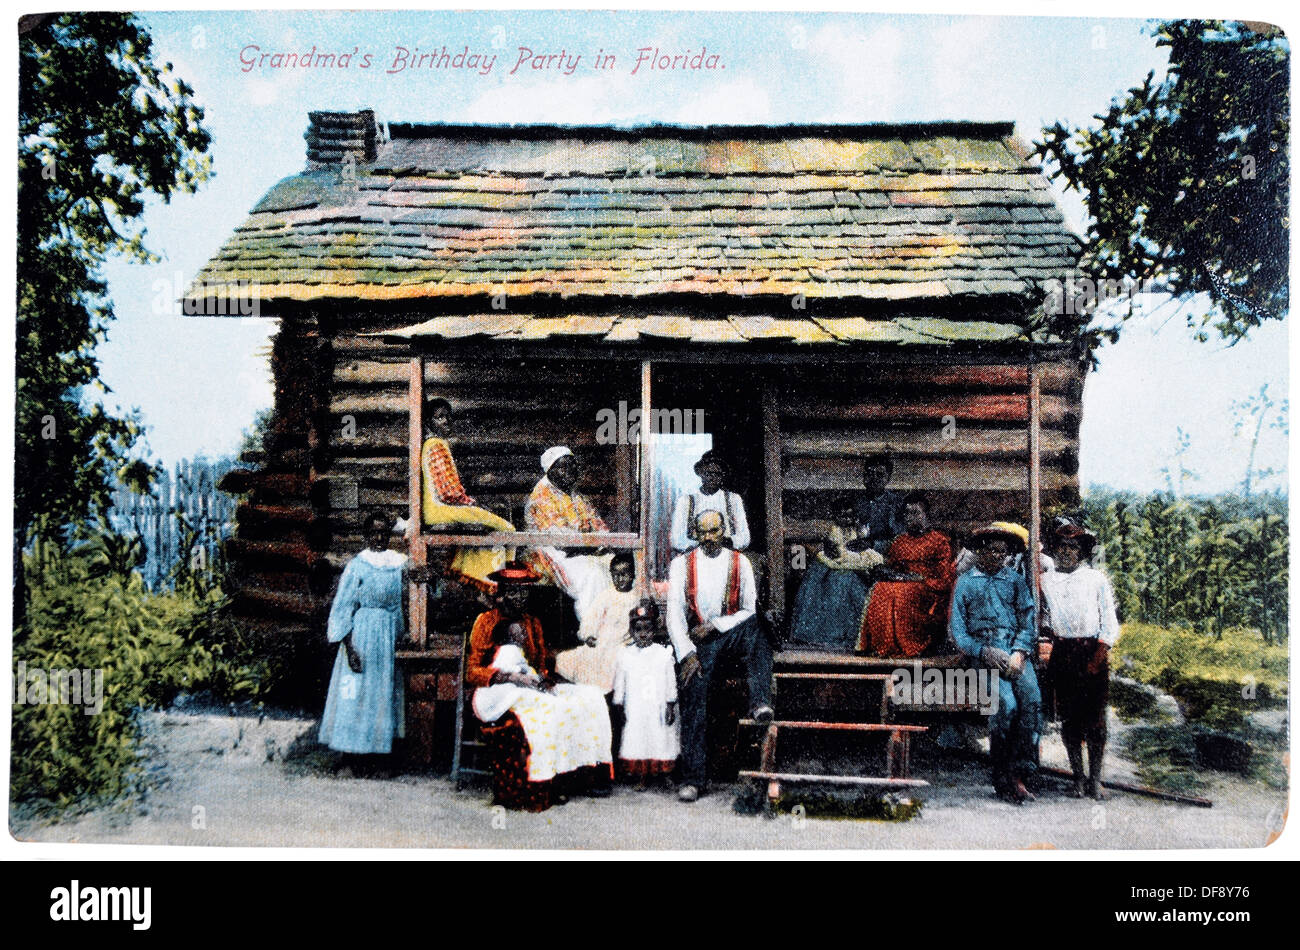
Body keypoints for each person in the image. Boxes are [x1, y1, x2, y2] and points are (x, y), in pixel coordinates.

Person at [466, 562, 613, 810]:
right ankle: (549, 782)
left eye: (523, 591)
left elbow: (539, 664)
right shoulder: (487, 622)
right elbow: (472, 672)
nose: (519, 597)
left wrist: (543, 679)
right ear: (501, 593)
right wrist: (510, 677)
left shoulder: (532, 623)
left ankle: (584, 775)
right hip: (496, 691)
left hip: (526, 684)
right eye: (513, 591)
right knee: (552, 710)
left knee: (590, 697)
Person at [667, 509, 774, 802]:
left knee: (759, 627)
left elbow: (749, 610)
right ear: (695, 533)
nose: (708, 538)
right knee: (693, 690)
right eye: (702, 532)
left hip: (730, 636)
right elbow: (674, 615)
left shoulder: (741, 563)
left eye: (714, 531)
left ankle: (760, 701)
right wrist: (687, 653)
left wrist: (715, 624)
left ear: (724, 530)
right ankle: (693, 779)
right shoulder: (681, 564)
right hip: (698, 644)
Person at [319, 510, 427, 769]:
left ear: (389, 535)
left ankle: (379, 754)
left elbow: (417, 579)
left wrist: (424, 575)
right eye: (374, 533)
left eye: (383, 533)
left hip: (389, 634)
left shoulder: (398, 562)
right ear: (366, 535)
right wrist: (349, 648)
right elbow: (343, 607)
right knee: (356, 692)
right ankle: (353, 753)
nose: (379, 537)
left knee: (382, 692)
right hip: (362, 635)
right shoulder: (357, 565)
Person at [949, 524, 1042, 805]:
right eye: (991, 550)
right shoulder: (965, 582)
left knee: (1032, 700)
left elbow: (1028, 621)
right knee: (1005, 704)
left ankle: (1025, 772)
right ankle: (1002, 775)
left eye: (1002, 552)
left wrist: (1020, 652)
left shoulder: (1014, 581)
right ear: (979, 552)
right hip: (983, 655)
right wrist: (982, 651)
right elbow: (957, 632)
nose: (996, 556)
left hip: (1013, 651)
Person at [1041, 523, 1119, 800]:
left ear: (1082, 551)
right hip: (1063, 652)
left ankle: (1096, 780)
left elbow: (1109, 621)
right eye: (1061, 547)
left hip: (1091, 649)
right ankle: (1078, 778)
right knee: (1070, 719)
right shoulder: (1046, 580)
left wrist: (1100, 654)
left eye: (1072, 547)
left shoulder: (1096, 579)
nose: (1066, 552)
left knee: (1095, 719)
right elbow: (1045, 615)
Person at [420, 397, 516, 592]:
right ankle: (493, 582)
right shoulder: (436, 445)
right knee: (507, 529)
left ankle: (468, 571)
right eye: (439, 418)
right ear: (429, 422)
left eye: (448, 417)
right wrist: (472, 504)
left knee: (483, 522)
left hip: (439, 509)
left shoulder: (436, 444)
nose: (446, 421)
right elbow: (449, 493)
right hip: (441, 509)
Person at [858, 492, 955, 657]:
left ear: (926, 516)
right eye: (907, 513)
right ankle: (883, 645)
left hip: (927, 589)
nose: (910, 517)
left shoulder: (939, 541)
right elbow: (893, 567)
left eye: (915, 513)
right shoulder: (899, 541)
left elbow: (944, 576)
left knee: (901, 592)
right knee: (881, 588)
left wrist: (922, 579)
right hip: (902, 582)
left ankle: (907, 645)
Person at [525, 445, 612, 619]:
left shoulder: (575, 495)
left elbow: (601, 528)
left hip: (583, 550)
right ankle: (591, 630)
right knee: (592, 574)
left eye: (573, 466)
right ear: (550, 470)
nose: (570, 471)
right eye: (563, 467)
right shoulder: (541, 496)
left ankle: (612, 628)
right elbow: (562, 540)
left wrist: (592, 545)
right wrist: (591, 545)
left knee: (614, 565)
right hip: (550, 553)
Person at [787, 495, 884, 651]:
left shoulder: (854, 529)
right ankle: (828, 634)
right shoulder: (834, 530)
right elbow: (835, 551)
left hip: (850, 561)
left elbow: (860, 541)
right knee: (831, 587)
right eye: (842, 516)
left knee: (854, 586)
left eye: (849, 516)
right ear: (835, 516)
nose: (846, 520)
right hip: (832, 563)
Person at [612, 600, 680, 790]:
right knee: (639, 740)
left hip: (658, 707)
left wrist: (670, 704)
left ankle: (665, 775)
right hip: (636, 708)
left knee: (662, 739)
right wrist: (619, 702)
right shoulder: (626, 655)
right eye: (639, 629)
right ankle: (642, 776)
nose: (643, 634)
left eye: (648, 629)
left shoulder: (663, 654)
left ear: (655, 630)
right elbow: (620, 681)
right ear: (632, 631)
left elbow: (670, 681)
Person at [554, 551, 639, 694]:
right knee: (588, 658)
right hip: (604, 638)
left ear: (632, 575)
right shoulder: (607, 595)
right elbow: (592, 616)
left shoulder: (636, 596)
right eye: (615, 575)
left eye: (624, 574)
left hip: (623, 641)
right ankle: (595, 693)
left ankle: (609, 692)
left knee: (615, 660)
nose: (619, 579)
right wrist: (588, 634)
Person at [670, 449, 750, 553]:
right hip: (696, 558)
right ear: (700, 474)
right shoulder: (686, 501)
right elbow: (676, 540)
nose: (712, 478)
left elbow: (744, 537)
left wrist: (726, 541)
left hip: (725, 557)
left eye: (716, 474)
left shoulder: (733, 499)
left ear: (722, 476)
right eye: (708, 473)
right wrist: (703, 542)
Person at [855, 452, 905, 554]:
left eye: (880, 475)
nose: (874, 478)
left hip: (884, 555)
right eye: (869, 473)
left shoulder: (895, 503)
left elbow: (900, 539)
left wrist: (873, 544)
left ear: (888, 478)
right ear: (864, 476)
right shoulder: (855, 501)